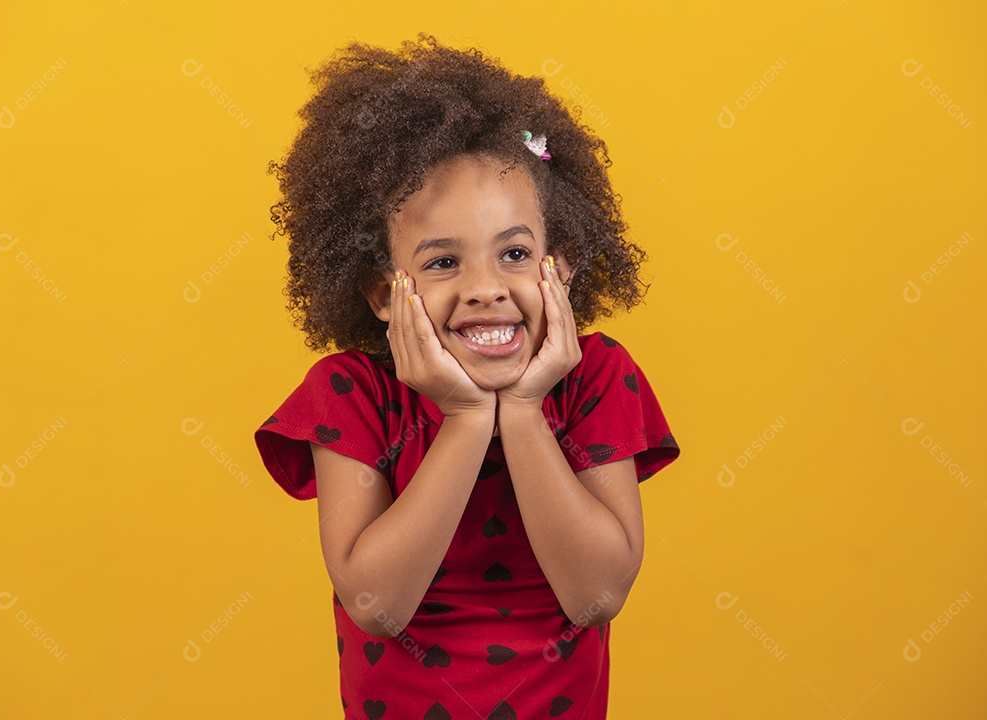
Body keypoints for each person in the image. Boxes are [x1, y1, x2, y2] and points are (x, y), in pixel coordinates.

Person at [254, 32, 681, 720]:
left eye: (514, 252)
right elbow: (376, 605)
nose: (487, 288)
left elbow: (597, 595)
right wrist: (463, 420)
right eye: (444, 262)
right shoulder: (351, 395)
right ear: (383, 293)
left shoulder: (598, 379)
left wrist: (521, 411)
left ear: (562, 266)